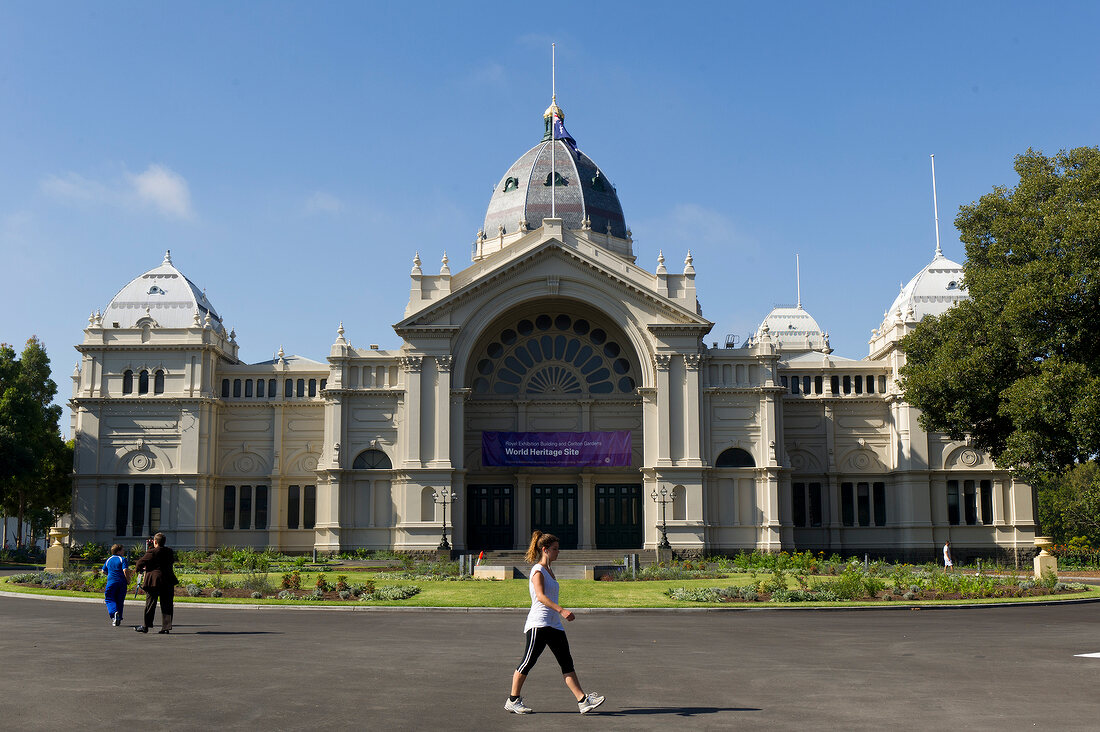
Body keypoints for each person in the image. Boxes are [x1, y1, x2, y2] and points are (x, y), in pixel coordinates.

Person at [504, 530, 604, 715]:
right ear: (545, 550)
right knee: (528, 662)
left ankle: (583, 701)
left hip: (554, 625)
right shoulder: (538, 570)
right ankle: (513, 700)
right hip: (539, 624)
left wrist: (558, 615)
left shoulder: (549, 570)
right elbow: (540, 597)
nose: (558, 552)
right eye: (555, 549)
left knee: (567, 663)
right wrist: (561, 610)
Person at [134, 532, 178, 634]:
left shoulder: (152, 552)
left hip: (154, 580)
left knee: (150, 604)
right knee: (167, 604)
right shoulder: (169, 551)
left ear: (155, 542)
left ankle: (146, 626)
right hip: (167, 580)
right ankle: (166, 627)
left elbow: (140, 563)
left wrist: (140, 569)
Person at [101, 544, 132, 626]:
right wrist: (128, 580)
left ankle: (114, 613)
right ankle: (118, 617)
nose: (123, 551)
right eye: (122, 550)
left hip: (111, 582)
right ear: (118, 551)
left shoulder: (109, 560)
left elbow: (103, 571)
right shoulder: (122, 559)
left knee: (109, 598)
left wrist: (110, 574)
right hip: (122, 582)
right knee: (120, 600)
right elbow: (125, 570)